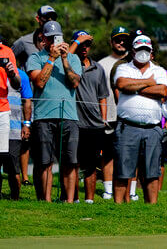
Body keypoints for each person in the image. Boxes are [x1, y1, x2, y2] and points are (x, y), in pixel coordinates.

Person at [27, 19, 82, 202]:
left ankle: (68, 200)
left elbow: (75, 82)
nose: (53, 42)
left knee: (70, 162)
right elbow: (39, 82)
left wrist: (65, 59)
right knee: (45, 162)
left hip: (68, 116)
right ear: (43, 38)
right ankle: (46, 201)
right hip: (44, 116)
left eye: (56, 38)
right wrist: (51, 59)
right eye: (49, 38)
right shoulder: (35, 58)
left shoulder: (73, 58)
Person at [113, 35, 167, 204]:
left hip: (153, 128)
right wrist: (149, 83)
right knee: (123, 170)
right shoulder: (123, 68)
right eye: (140, 50)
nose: (143, 53)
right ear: (133, 51)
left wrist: (135, 88)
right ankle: (118, 206)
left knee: (152, 172)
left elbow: (163, 91)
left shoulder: (159, 71)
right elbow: (122, 84)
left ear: (151, 52)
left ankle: (151, 207)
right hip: (127, 126)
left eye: (147, 50)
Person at [71, 31, 108, 204]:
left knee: (91, 164)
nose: (84, 48)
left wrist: (104, 119)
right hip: (76, 122)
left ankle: (89, 200)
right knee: (74, 163)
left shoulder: (97, 68)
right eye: (81, 44)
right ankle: (75, 198)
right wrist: (76, 43)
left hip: (95, 124)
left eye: (87, 44)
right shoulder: (69, 65)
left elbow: (102, 96)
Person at [97, 26, 130, 200]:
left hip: (129, 115)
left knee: (128, 155)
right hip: (109, 115)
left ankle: (130, 191)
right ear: (111, 42)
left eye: (124, 39)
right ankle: (108, 189)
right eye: (118, 39)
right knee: (108, 154)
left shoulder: (134, 62)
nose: (121, 42)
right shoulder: (102, 64)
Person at [0, 59, 30, 200]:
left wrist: (26, 124)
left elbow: (27, 101)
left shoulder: (21, 75)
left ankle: (15, 197)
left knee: (13, 167)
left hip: (13, 128)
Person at [0, 34, 20, 170]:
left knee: (1, 154)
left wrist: (12, 74)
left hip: (2, 110)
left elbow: (17, 84)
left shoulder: (6, 51)